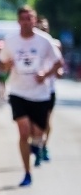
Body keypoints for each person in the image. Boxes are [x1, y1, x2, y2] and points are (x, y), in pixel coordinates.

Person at [0, 6, 62, 186]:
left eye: (30, 19)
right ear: (18, 21)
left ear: (35, 20)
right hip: (18, 92)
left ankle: (37, 146)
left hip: (40, 94)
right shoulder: (10, 41)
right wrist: (7, 65)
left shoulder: (44, 41)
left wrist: (45, 74)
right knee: (23, 131)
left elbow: (59, 63)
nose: (26, 22)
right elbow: (0, 65)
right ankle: (27, 172)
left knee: (38, 133)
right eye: (23, 19)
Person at [35, 16, 64, 162]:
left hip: (48, 90)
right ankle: (36, 144)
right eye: (39, 28)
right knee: (32, 123)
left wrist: (55, 72)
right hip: (32, 90)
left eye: (44, 28)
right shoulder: (30, 43)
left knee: (46, 120)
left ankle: (43, 145)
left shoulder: (55, 44)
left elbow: (59, 66)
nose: (42, 31)